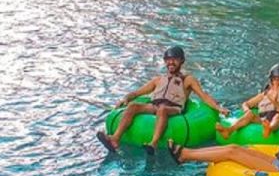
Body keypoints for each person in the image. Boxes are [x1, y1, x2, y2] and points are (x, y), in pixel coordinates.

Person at [97, 46, 229, 154]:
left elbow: (203, 96)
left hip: (173, 109)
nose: (170, 62)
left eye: (174, 59)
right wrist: (125, 98)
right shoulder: (159, 80)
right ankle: (115, 139)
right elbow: (138, 92)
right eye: (168, 59)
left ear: (181, 61)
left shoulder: (188, 79)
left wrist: (219, 108)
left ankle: (153, 144)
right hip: (154, 106)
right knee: (133, 106)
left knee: (162, 109)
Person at [169, 97, 279, 172]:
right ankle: (185, 151)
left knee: (230, 153)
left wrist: (278, 105)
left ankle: (185, 155)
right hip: (278, 160)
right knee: (234, 147)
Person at [216, 63, 279, 140]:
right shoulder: (265, 94)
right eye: (275, 79)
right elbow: (246, 104)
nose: (278, 82)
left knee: (278, 117)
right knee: (250, 115)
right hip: (264, 120)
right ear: (271, 80)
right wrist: (247, 110)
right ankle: (229, 130)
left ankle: (269, 129)